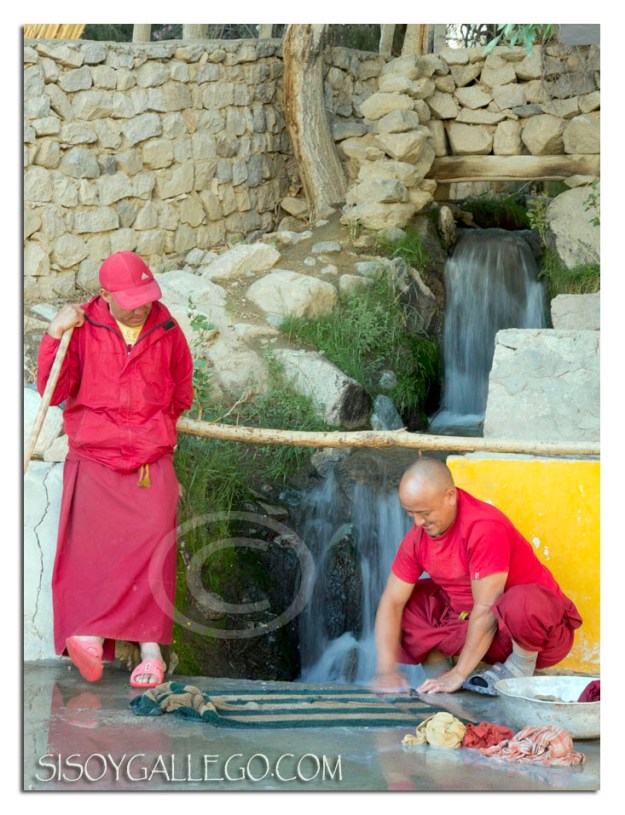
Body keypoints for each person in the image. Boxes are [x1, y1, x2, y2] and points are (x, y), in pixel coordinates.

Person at [36, 251, 194, 688]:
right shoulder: (82, 328)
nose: (141, 307)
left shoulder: (167, 330)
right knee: (91, 551)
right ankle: (88, 636)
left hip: (149, 459)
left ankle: (151, 651)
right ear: (105, 295)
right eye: (130, 300)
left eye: (146, 297)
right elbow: (54, 391)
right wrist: (54, 333)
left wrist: (156, 430)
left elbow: (181, 392)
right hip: (94, 456)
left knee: (153, 549)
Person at [372, 458, 582, 696]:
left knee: (522, 601)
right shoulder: (418, 537)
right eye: (411, 514)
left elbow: (487, 606)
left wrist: (460, 673)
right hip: (476, 630)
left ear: (450, 496)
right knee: (410, 601)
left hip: (534, 635)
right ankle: (439, 676)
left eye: (425, 513)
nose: (418, 522)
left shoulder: (483, 527)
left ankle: (518, 669)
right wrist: (385, 669)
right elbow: (392, 601)